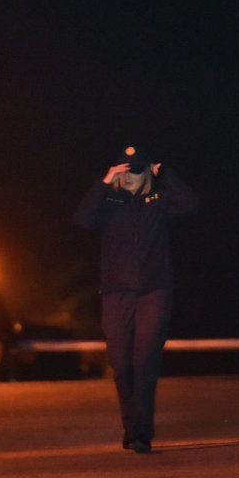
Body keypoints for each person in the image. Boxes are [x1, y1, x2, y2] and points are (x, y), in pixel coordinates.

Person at [74, 146, 199, 453]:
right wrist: (104, 182)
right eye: (125, 169)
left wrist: (165, 174)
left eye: (136, 170)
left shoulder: (158, 201)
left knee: (144, 361)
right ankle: (132, 427)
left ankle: (141, 433)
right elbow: (83, 218)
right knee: (120, 365)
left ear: (145, 173)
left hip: (154, 292)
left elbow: (190, 205)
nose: (130, 176)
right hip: (116, 293)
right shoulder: (109, 201)